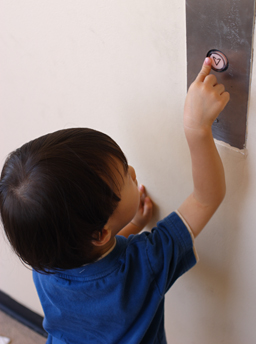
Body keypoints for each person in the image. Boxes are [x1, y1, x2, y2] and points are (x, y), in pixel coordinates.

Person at [0, 57, 230, 344]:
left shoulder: (45, 258)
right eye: (123, 177)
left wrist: (133, 224)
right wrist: (197, 128)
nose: (132, 171)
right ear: (101, 233)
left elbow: (94, 263)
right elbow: (207, 198)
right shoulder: (148, 260)